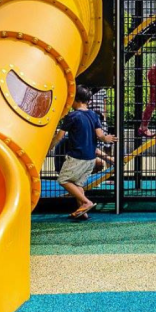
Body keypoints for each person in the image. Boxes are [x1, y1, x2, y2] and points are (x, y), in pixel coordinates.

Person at [49, 85, 117, 218]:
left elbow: (60, 136)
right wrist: (106, 138)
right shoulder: (93, 115)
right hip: (90, 158)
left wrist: (51, 145)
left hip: (77, 156)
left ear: (75, 99)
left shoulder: (72, 116)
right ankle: (82, 212)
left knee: (63, 180)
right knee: (78, 184)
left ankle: (86, 202)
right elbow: (100, 135)